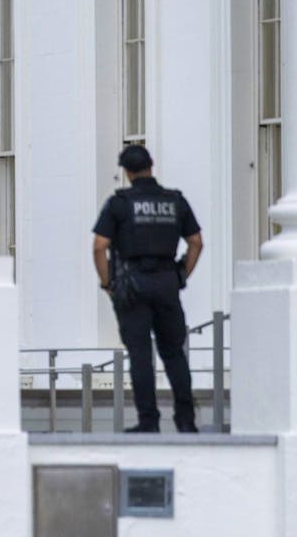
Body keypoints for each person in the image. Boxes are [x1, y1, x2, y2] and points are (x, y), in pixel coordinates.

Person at [92, 145, 203, 433]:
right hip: (167, 283)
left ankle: (149, 421)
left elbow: (99, 246)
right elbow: (196, 243)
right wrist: (181, 275)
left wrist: (108, 283)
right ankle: (186, 420)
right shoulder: (175, 201)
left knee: (140, 355)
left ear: (126, 172)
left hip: (132, 285)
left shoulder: (119, 203)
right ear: (151, 165)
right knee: (174, 354)